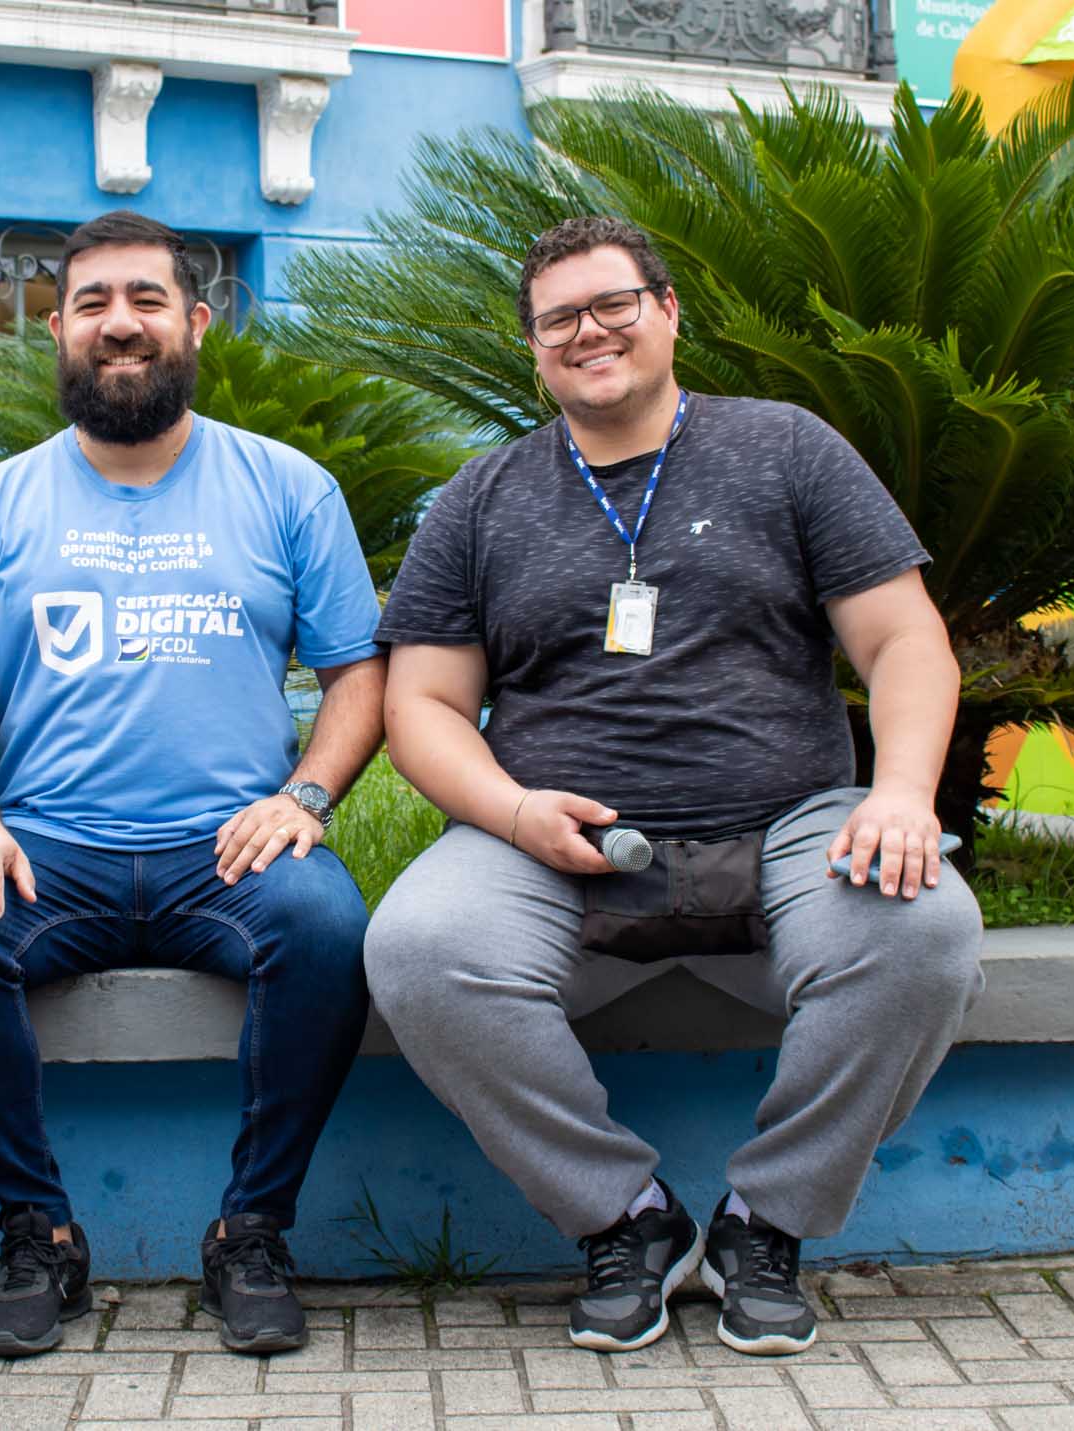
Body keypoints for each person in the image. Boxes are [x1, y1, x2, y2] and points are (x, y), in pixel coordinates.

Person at [364, 216, 984, 1358]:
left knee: (923, 934)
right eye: (558, 319)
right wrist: (512, 812)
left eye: (613, 305)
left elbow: (904, 641)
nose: (588, 333)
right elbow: (423, 707)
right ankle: (624, 1218)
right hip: (550, 842)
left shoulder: (786, 449)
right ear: (532, 346)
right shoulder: (479, 498)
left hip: (788, 825)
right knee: (418, 949)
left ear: (667, 311)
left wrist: (902, 792)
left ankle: (766, 1225)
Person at [0, 210, 386, 1359]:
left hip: (230, 851)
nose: (120, 324)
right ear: (57, 329)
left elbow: (359, 677)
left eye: (146, 300)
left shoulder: (289, 488)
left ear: (195, 323)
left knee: (324, 930)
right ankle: (38, 1235)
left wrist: (305, 798)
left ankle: (250, 1232)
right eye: (94, 303)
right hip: (47, 849)